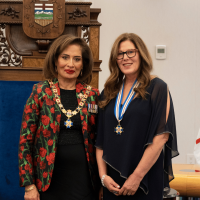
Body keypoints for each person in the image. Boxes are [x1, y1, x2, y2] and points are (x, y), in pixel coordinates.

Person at [95, 33, 179, 200]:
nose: (125, 58)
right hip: (113, 182)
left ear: (141, 54)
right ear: (115, 59)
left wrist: (136, 177)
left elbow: (161, 137)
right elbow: (99, 140)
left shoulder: (157, 88)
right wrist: (103, 177)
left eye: (130, 52)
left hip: (144, 178)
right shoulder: (109, 92)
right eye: (120, 54)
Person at [18, 34, 101, 200]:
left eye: (77, 59)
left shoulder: (93, 95)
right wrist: (29, 185)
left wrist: (103, 183)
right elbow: (25, 141)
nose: (71, 64)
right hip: (48, 182)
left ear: (83, 64)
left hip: (86, 181)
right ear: (55, 61)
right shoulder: (40, 92)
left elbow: (102, 141)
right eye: (65, 57)